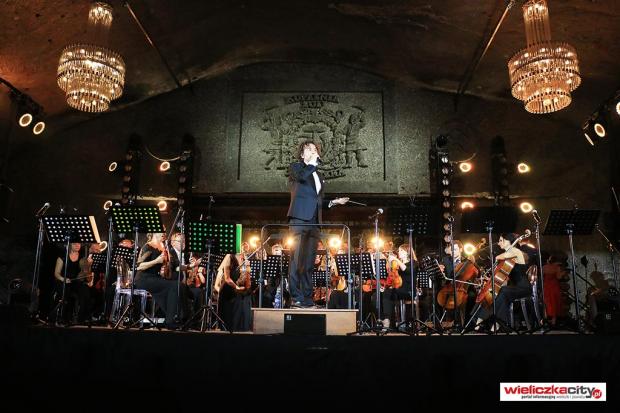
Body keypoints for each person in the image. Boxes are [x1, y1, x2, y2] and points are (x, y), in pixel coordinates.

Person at [287, 140, 349, 308]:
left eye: (315, 149)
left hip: (314, 223)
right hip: (299, 219)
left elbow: (317, 201)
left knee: (308, 263)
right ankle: (296, 298)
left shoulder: (318, 176)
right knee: (297, 260)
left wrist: (334, 202)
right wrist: (312, 164)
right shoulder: (296, 167)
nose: (313, 152)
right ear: (302, 154)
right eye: (309, 149)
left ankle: (307, 299)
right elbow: (301, 177)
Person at [475, 233, 531, 332]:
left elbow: (500, 256)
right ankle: (485, 321)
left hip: (523, 287)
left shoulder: (516, 251)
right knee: (493, 293)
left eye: (501, 240)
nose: (499, 243)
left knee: (503, 291)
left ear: (509, 241)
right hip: (513, 287)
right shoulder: (508, 255)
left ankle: (492, 322)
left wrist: (497, 259)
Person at [134, 233, 180, 329]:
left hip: (155, 278)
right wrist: (156, 261)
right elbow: (139, 266)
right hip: (144, 278)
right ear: (154, 233)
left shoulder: (163, 248)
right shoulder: (148, 246)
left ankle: (179, 317)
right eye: (161, 231)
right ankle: (169, 320)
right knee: (174, 285)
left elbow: (175, 267)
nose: (164, 233)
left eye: (165, 231)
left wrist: (189, 266)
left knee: (179, 285)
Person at [52, 242, 92, 324]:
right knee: (65, 291)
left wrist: (89, 265)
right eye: (75, 244)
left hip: (76, 282)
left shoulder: (82, 258)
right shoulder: (63, 256)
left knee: (85, 291)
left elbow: (87, 277)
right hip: (63, 281)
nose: (77, 245)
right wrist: (63, 279)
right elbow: (56, 273)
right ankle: (63, 317)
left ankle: (81, 319)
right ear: (70, 244)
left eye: (79, 244)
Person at [217, 251, 252, 331]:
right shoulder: (230, 258)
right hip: (228, 290)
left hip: (237, 291)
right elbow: (227, 278)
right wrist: (236, 287)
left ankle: (241, 328)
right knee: (228, 316)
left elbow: (247, 280)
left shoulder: (244, 262)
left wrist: (248, 270)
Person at [542, 255, 565, 327]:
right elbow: (558, 277)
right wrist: (563, 273)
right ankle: (553, 321)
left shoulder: (544, 267)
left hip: (546, 286)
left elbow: (542, 276)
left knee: (547, 303)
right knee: (554, 302)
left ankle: (546, 319)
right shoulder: (556, 267)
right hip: (554, 287)